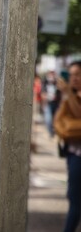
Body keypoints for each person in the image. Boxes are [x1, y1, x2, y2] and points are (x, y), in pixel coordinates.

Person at [57, 61, 81, 232]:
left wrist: (68, 94)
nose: (74, 78)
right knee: (75, 199)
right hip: (74, 155)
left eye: (78, 74)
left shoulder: (73, 96)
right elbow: (60, 121)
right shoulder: (71, 95)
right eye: (71, 74)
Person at [42, 70, 61, 137]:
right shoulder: (45, 83)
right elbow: (42, 94)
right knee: (48, 120)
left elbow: (60, 94)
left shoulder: (57, 84)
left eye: (53, 75)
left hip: (56, 104)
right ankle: (51, 133)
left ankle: (56, 132)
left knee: (56, 120)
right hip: (48, 104)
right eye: (50, 75)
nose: (51, 77)